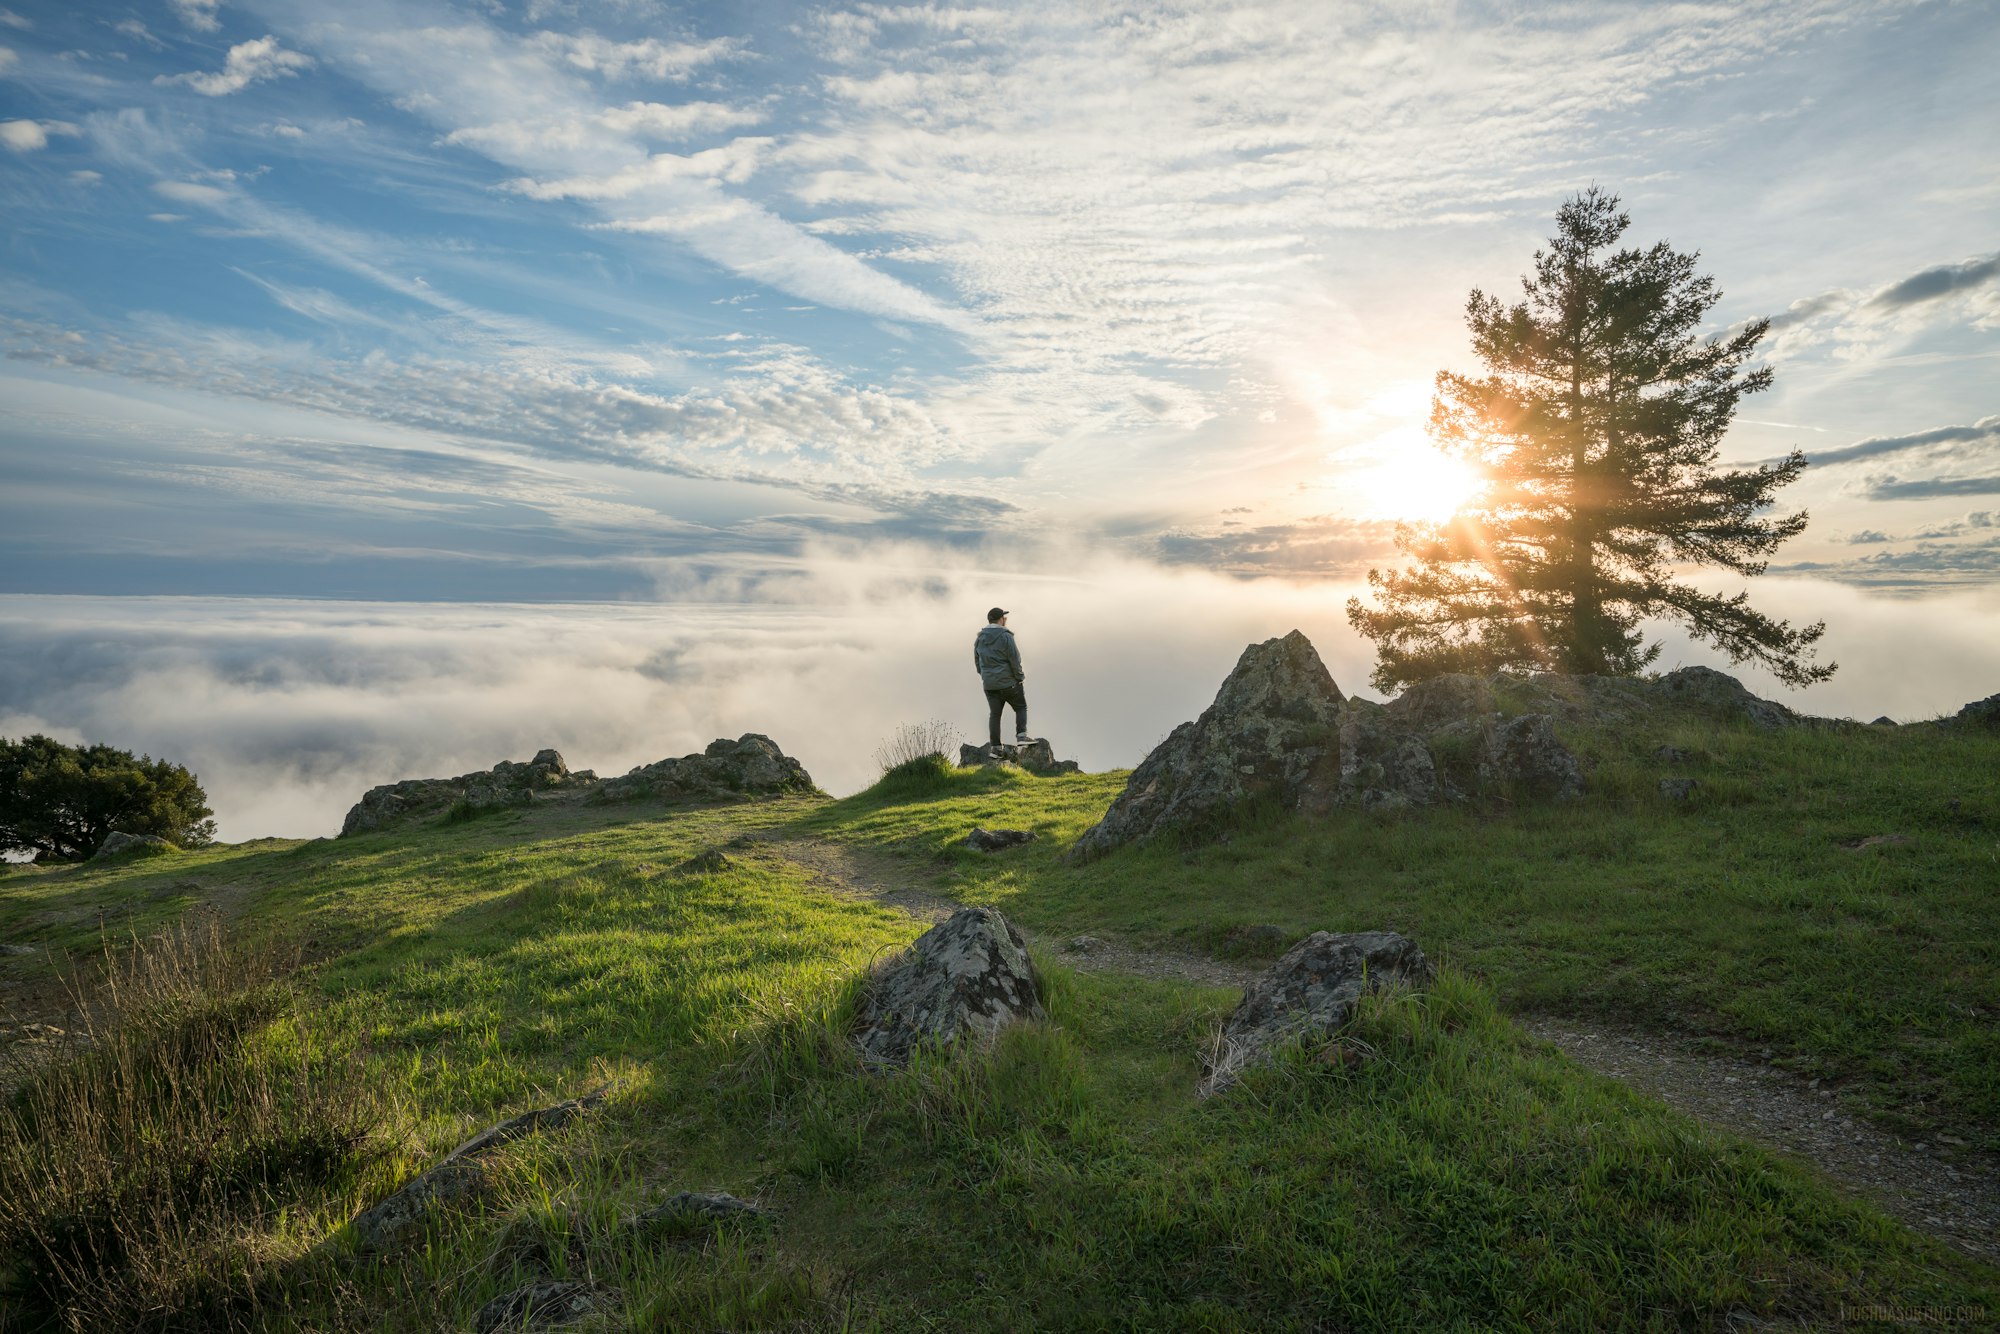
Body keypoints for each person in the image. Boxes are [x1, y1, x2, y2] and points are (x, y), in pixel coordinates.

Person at [973, 607, 1032, 749]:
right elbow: (1014, 659)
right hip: (1008, 683)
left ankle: (996, 748)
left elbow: (977, 661)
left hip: (989, 685)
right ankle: (1022, 736)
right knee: (1021, 707)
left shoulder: (980, 638)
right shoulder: (1006, 636)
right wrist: (1019, 678)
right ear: (1001, 619)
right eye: (1004, 617)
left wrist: (987, 676)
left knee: (995, 715)